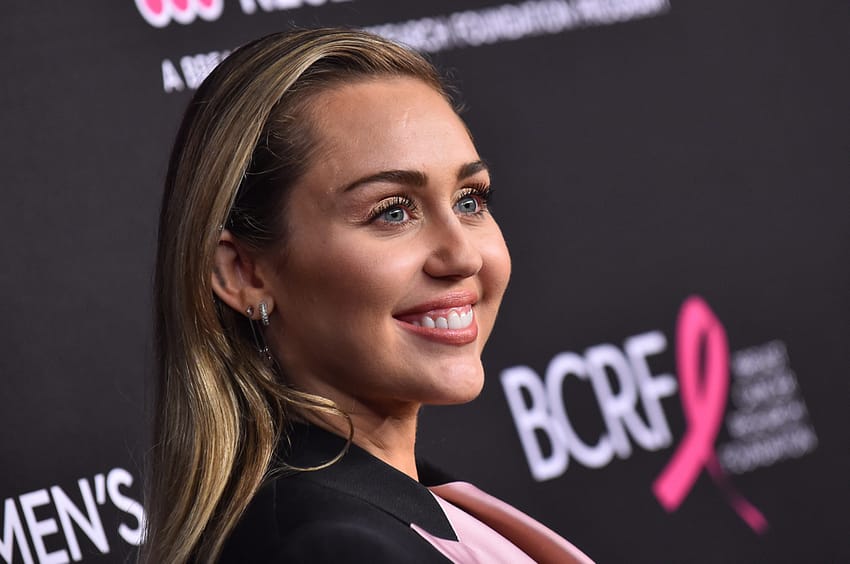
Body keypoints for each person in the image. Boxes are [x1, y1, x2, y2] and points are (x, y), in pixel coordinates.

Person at [144, 27, 594, 563]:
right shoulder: (333, 549)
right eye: (393, 211)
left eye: (470, 200)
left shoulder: (406, 504)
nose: (464, 256)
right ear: (243, 273)